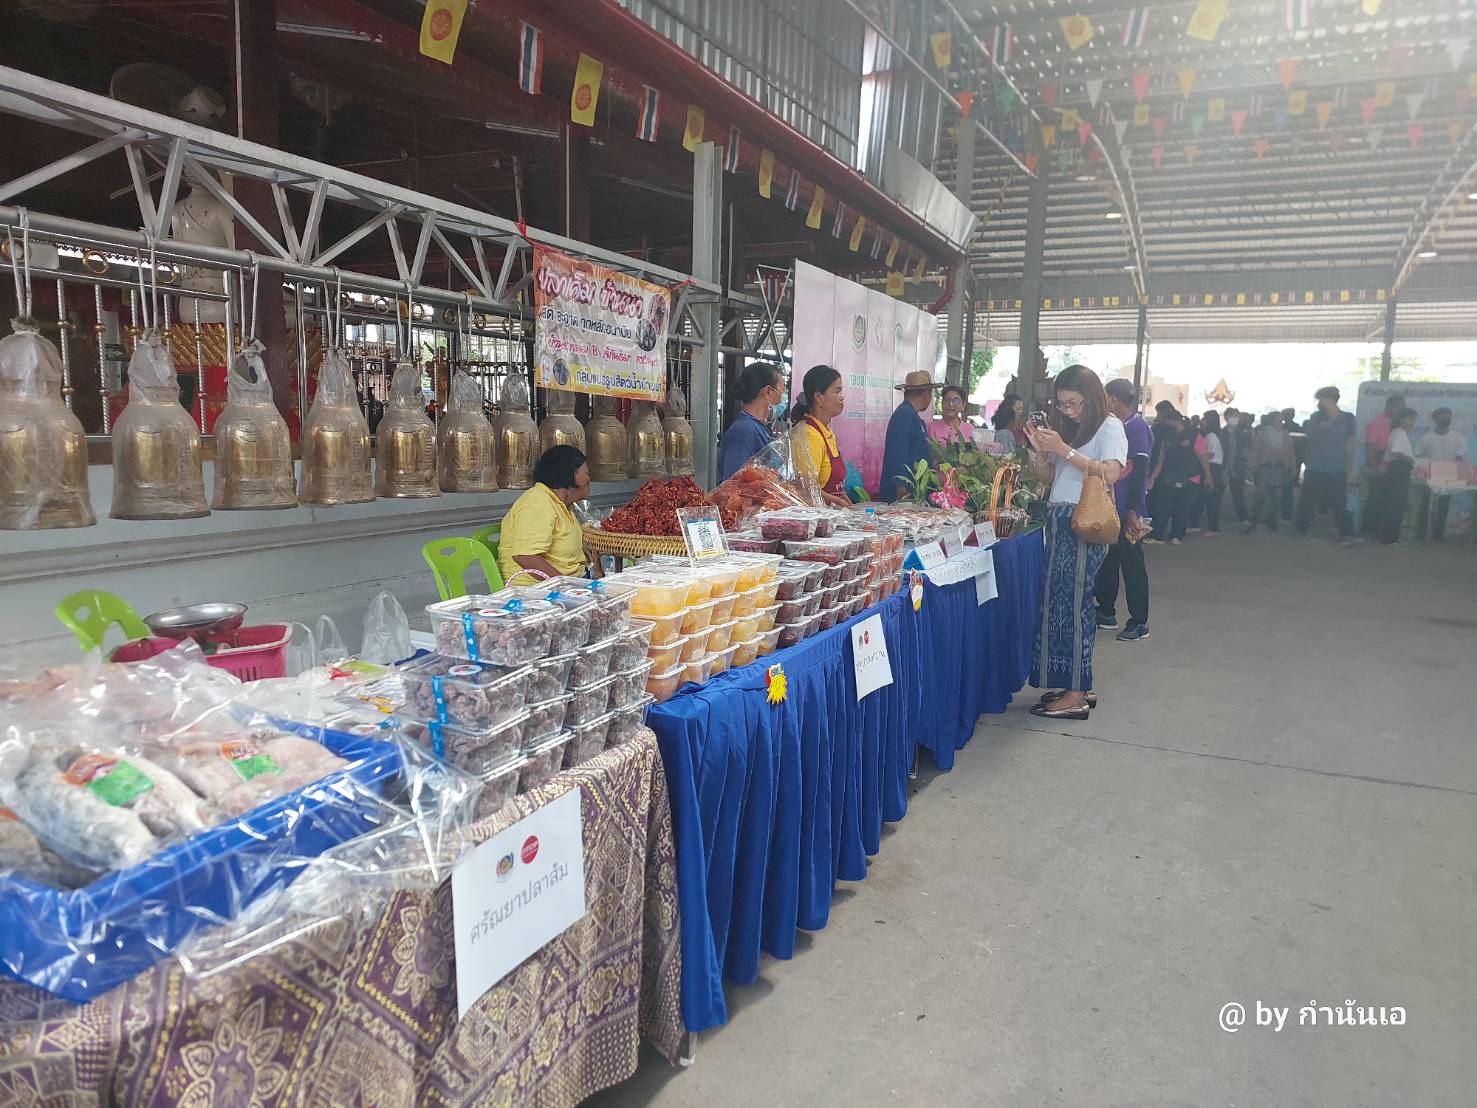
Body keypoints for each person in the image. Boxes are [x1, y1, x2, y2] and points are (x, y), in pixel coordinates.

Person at [1024, 365, 1127, 720]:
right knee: (1059, 603)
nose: (1068, 410)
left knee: (1076, 603)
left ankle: (1077, 691)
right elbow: (1049, 476)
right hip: (1059, 517)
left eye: (1074, 403)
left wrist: (1064, 449)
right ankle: (1074, 683)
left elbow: (1112, 471)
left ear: (1092, 398)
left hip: (1084, 522)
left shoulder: (1109, 426)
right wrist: (1040, 449)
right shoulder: (1071, 429)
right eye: (1063, 404)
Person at [1095, 379, 1151, 642]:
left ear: (1115, 398)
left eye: (1106, 398)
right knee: (1109, 559)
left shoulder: (1137, 428)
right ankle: (1106, 610)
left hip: (1128, 508)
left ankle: (1140, 621)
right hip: (1111, 506)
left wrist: (1132, 509)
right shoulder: (1117, 425)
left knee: (1132, 563)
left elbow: (1139, 472)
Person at [497, 444, 591, 586]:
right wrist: (567, 587)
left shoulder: (563, 506)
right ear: (571, 474)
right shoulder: (537, 502)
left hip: (570, 584)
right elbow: (525, 556)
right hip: (534, 593)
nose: (589, 480)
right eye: (586, 473)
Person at [1295, 386, 1361, 545]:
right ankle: (1301, 530)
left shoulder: (1348, 418)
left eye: (1322, 399)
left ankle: (1347, 535)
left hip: (1337, 468)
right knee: (1308, 501)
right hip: (1315, 466)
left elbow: (1350, 445)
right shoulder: (1316, 418)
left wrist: (1350, 469)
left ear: (1330, 400)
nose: (1320, 403)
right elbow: (1309, 439)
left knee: (1339, 502)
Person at [791, 364, 852, 508]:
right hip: (814, 520)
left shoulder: (826, 431)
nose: (842, 398)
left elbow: (835, 488)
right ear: (819, 397)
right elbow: (805, 490)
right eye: (837, 392)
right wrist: (838, 502)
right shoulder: (809, 435)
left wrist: (852, 508)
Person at [879, 369, 944, 502]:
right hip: (904, 493)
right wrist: (900, 487)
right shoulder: (904, 415)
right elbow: (897, 453)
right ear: (926, 394)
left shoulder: (912, 416)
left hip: (915, 491)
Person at [1145, 410, 1209, 545]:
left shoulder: (1195, 436)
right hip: (1169, 478)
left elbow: (1203, 458)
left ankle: (1177, 535)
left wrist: (1209, 477)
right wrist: (1153, 478)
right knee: (1163, 507)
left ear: (1179, 421)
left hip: (1191, 479)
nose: (1169, 426)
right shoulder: (1167, 438)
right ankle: (1158, 535)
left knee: (1183, 508)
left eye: (1171, 423)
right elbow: (1160, 461)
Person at [717, 361, 783, 482]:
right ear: (767, 391)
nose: (781, 400)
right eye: (781, 392)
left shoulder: (757, 428)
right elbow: (735, 485)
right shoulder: (743, 431)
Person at [1366, 407, 1417, 545]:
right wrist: (1410, 459)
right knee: (1396, 504)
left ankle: (1390, 536)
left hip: (1396, 470)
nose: (1413, 423)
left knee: (1394, 504)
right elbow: (1395, 453)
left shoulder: (1396, 432)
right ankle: (1390, 538)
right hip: (1399, 469)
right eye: (1412, 420)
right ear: (1403, 420)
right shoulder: (1400, 433)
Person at [1242, 411, 1296, 533]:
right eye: (1279, 421)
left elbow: (1291, 452)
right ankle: (1254, 520)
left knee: (1277, 497)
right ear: (1272, 421)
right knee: (1260, 495)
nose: (1282, 423)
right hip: (1265, 467)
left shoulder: (1285, 435)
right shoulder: (1263, 435)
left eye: (1282, 421)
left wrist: (1292, 467)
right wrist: (1251, 467)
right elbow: (1255, 452)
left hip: (1279, 467)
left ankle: (1271, 520)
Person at [1362, 393, 1406, 536]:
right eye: (1398, 406)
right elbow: (1370, 446)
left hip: (1393, 466)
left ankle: (1380, 530)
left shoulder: (1398, 426)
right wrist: (1374, 466)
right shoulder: (1378, 422)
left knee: (1387, 500)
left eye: (1403, 407)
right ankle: (1369, 530)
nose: (1401, 409)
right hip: (1378, 461)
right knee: (1375, 498)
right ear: (1389, 406)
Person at [1419, 407, 1466, 540]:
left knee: (1443, 506)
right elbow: (1420, 457)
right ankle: (1422, 534)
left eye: (1448, 417)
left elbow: (1459, 460)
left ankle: (1437, 535)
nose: (1446, 419)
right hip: (1429, 476)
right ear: (1435, 419)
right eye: (1443, 417)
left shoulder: (1459, 438)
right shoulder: (1426, 437)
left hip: (1448, 477)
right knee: (1425, 505)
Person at [1187, 410, 1226, 535]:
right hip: (1208, 468)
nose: (1202, 421)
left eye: (1204, 419)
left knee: (1211, 499)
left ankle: (1213, 527)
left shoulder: (1212, 437)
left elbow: (1209, 455)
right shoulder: (1207, 436)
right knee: (1201, 498)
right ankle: (1195, 524)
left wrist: (1197, 454)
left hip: (1212, 468)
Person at [1223, 407, 1254, 523]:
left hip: (1238, 466)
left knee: (1238, 493)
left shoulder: (1243, 432)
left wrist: (1248, 463)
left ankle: (1244, 517)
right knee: (1217, 492)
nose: (1234, 419)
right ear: (1226, 418)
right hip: (1224, 467)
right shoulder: (1223, 433)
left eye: (1236, 416)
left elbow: (1248, 448)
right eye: (1232, 416)